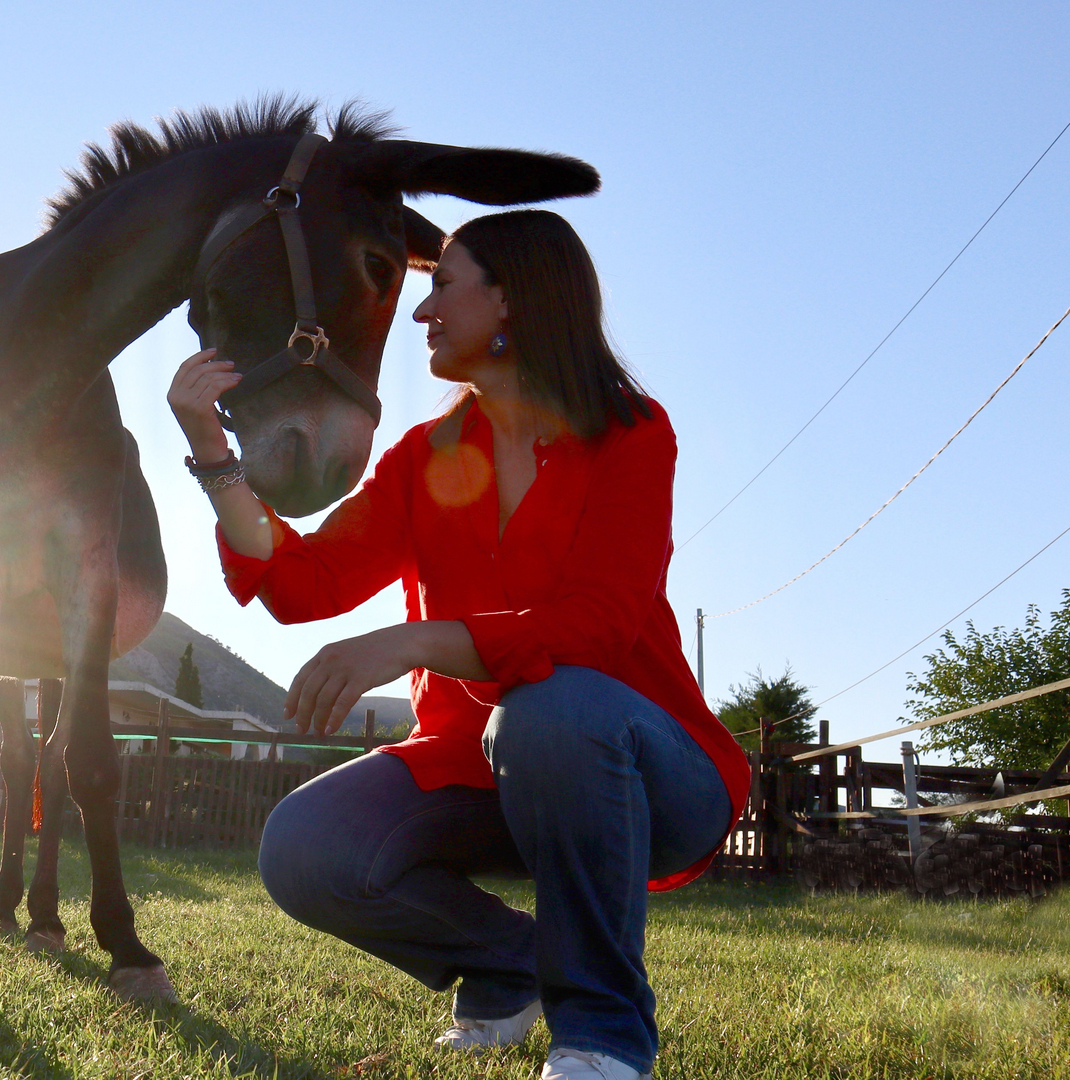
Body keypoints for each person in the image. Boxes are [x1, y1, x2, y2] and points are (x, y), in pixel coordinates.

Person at [167, 209, 749, 1080]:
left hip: (645, 773)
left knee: (552, 707)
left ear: (513, 295)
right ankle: (511, 963)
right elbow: (299, 585)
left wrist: (412, 638)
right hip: (476, 768)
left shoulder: (630, 433)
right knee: (305, 847)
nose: (419, 312)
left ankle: (602, 1043)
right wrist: (212, 448)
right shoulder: (424, 458)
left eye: (441, 285)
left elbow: (596, 629)